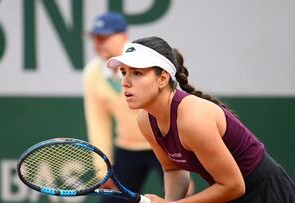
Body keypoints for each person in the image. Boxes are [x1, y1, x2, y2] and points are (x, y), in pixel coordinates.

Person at [106, 36, 295, 202]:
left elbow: (234, 186)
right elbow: (173, 169)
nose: (125, 82)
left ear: (163, 79)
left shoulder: (193, 118)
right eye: (123, 72)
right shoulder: (145, 120)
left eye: (137, 73)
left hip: (268, 194)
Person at [82, 13, 166, 203]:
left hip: (163, 143)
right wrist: (102, 170)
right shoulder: (92, 73)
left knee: (179, 197)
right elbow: (98, 123)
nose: (98, 43)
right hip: (128, 148)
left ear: (124, 35)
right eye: (95, 38)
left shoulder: (145, 64)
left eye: (104, 37)